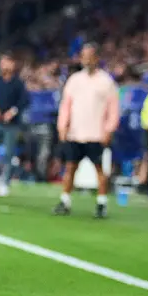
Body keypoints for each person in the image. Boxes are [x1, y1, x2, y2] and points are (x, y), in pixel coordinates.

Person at [54, 44, 119, 219]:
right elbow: (66, 106)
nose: (87, 60)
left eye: (90, 56)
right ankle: (65, 200)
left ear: (97, 58)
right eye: (84, 56)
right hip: (76, 132)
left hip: (96, 133)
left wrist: (109, 129)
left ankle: (101, 202)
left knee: (99, 169)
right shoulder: (74, 80)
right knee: (70, 167)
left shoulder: (106, 81)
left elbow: (113, 109)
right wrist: (62, 126)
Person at [0, 53, 30, 197]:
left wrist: (12, 112)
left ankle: (5, 183)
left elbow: (24, 101)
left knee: (9, 154)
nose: (5, 65)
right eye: (3, 62)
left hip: (12, 124)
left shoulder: (18, 84)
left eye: (8, 62)